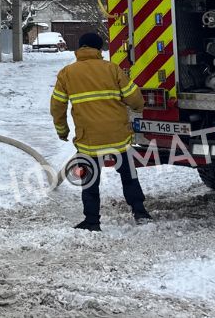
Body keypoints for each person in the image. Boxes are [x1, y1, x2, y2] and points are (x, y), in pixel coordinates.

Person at [50, 32, 151, 231]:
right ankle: (140, 212)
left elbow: (57, 107)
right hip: (119, 138)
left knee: (90, 181)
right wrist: (138, 108)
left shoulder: (66, 73)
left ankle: (92, 221)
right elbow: (135, 99)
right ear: (98, 49)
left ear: (80, 48)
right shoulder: (112, 69)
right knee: (129, 176)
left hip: (89, 141)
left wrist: (62, 131)